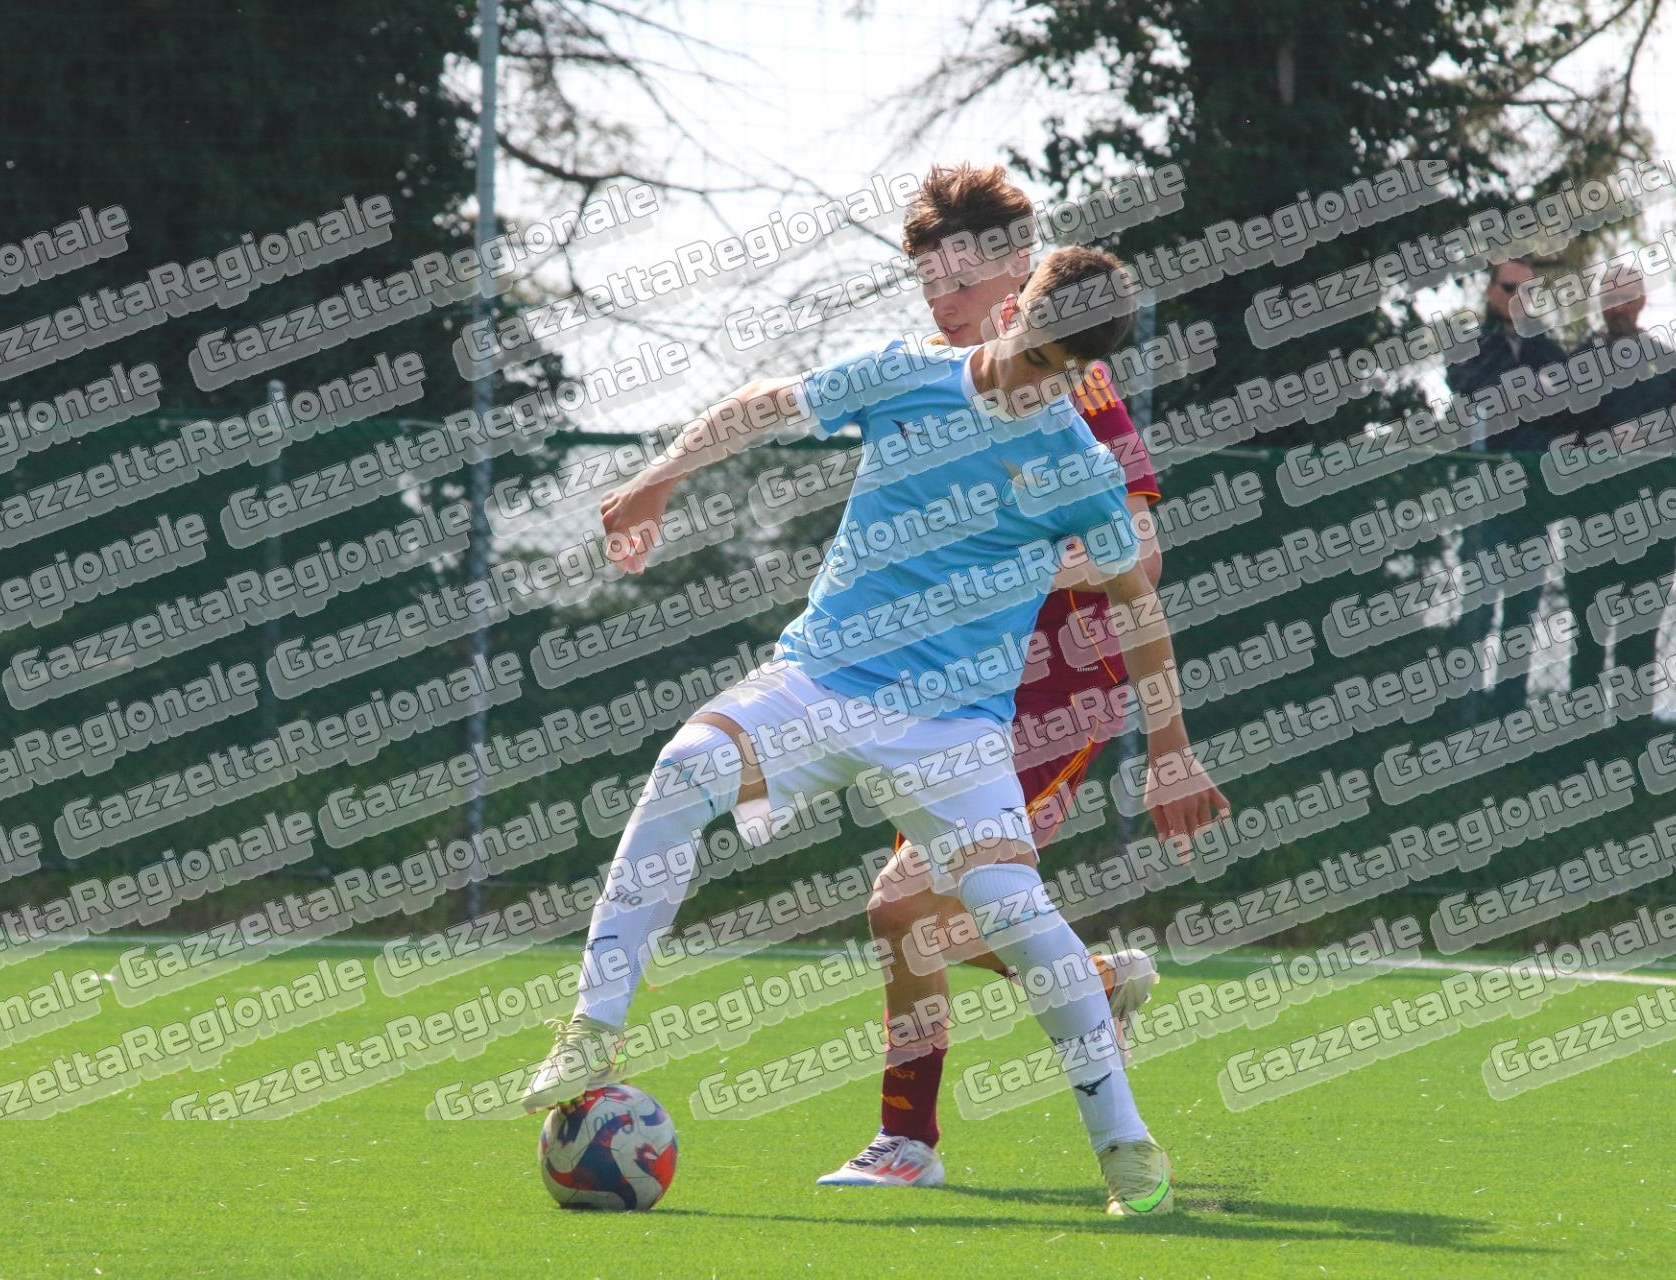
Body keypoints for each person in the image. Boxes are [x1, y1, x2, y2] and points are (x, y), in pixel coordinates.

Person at [522, 244, 1229, 1217]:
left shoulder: (1077, 462)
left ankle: (1127, 1151)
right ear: (1012, 312)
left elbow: (1137, 601)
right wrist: (661, 475)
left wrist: (1171, 749)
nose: (1038, 385)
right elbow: (767, 402)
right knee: (684, 770)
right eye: (1034, 355)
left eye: (1064, 373)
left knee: (1011, 911)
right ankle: (592, 1029)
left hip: (954, 732)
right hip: (820, 682)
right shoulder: (906, 376)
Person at [815, 163, 1166, 1192]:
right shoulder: (933, 379)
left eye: (961, 276)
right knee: (912, 914)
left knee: (901, 908)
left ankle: (907, 1141)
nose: (942, 295)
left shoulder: (1073, 381)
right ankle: (1087, 984)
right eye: (927, 276)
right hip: (954, 694)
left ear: (1018, 271)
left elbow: (1140, 552)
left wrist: (1007, 567)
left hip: (1055, 690)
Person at [1561, 262, 1676, 710]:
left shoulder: (1667, 364)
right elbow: (1560, 433)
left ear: (1641, 301)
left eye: (1625, 297)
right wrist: (1603, 442)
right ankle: (1581, 734)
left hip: (1651, 526)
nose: (1616, 307)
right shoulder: (1578, 361)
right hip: (1590, 521)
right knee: (1588, 636)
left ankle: (1632, 734)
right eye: (1609, 298)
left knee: (1639, 640)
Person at [1446, 255, 1576, 719]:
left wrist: (1522, 399)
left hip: (1533, 498)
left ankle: (1508, 713)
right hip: (1484, 495)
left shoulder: (1547, 348)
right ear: (1489, 290)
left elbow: (1569, 405)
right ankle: (1464, 713)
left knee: (1522, 611)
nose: (1516, 298)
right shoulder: (1469, 344)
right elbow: (1476, 391)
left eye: (1526, 291)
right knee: (1478, 606)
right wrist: (1534, 394)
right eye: (1507, 288)